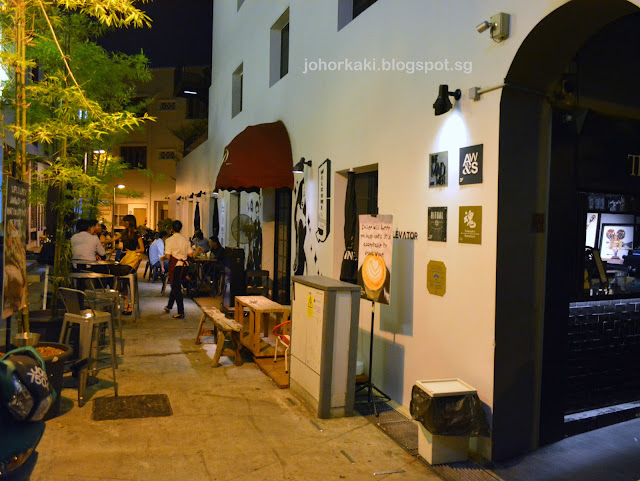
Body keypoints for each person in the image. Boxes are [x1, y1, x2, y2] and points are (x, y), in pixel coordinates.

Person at [114, 215, 144, 315]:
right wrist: (104, 241)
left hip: (130, 260)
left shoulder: (137, 234)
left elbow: (142, 249)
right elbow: (115, 239)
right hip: (123, 259)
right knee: (123, 282)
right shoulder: (125, 233)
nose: (123, 223)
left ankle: (130, 305)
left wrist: (131, 252)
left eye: (125, 221)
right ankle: (126, 304)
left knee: (128, 281)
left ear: (130, 222)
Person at [163, 220, 194, 319]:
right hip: (184, 266)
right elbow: (190, 254)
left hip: (175, 266)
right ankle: (169, 306)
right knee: (175, 285)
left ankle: (181, 311)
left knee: (176, 288)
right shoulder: (185, 240)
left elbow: (168, 256)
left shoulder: (169, 240)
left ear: (172, 229)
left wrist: (164, 257)